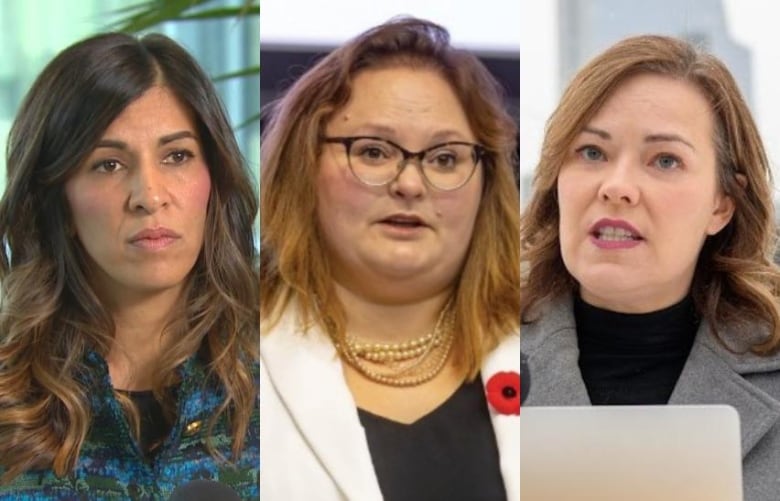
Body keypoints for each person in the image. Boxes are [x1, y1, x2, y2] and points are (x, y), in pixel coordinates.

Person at [259, 17, 520, 501]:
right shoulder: (228, 355)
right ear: (302, 166)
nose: (410, 184)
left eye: (444, 158)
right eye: (374, 151)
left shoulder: (549, 347)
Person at [520, 34, 780, 500]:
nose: (617, 187)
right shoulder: (470, 359)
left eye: (665, 160)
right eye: (592, 153)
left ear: (722, 204)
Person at [0, 32, 259, 499]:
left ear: (214, 180)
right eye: (109, 164)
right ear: (59, 201)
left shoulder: (279, 374)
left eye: (177, 156)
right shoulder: (9, 402)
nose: (150, 196)